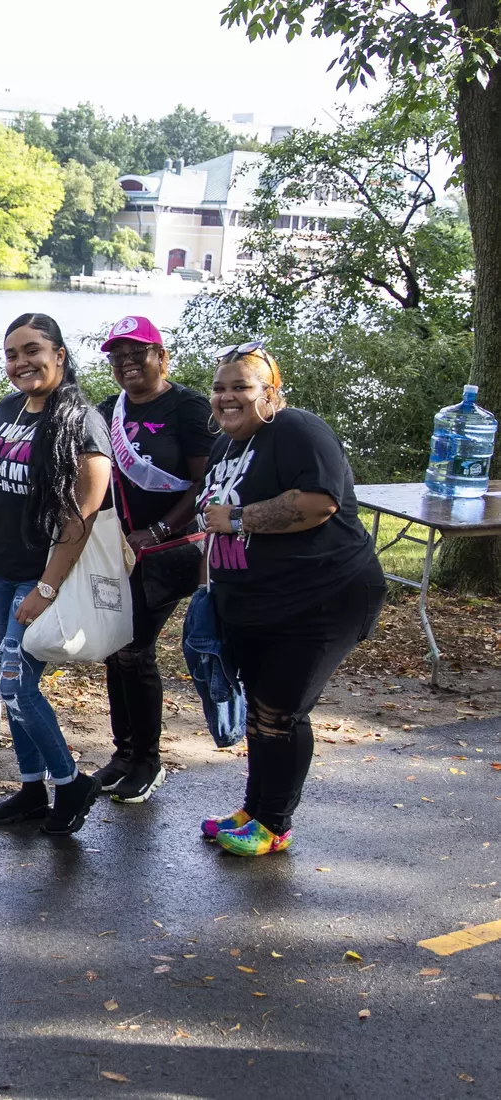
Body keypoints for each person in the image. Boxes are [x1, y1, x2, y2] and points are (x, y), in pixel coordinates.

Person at [198, 342, 385, 856]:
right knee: (260, 710)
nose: (227, 396)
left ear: (271, 394)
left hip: (324, 596)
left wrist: (238, 518)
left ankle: (274, 825)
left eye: (242, 386)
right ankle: (254, 809)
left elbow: (318, 503)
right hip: (256, 602)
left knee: (280, 711)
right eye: (220, 388)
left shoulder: (297, 430)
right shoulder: (227, 448)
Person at [0, 313, 115, 835]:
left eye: (32, 350)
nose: (20, 363)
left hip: (41, 575)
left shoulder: (81, 421)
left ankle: (71, 782)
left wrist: (47, 586)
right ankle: (33, 789)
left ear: (59, 353)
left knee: (16, 686)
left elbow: (84, 512)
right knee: (9, 688)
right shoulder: (8, 409)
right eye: (11, 354)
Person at [93, 316, 213, 804]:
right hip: (117, 549)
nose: (126, 364)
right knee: (115, 648)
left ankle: (147, 760)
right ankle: (124, 755)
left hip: (170, 550)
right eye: (117, 357)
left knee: (136, 649)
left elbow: (203, 484)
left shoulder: (188, 407)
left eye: (137, 354)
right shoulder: (107, 410)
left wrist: (159, 529)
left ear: (161, 357)